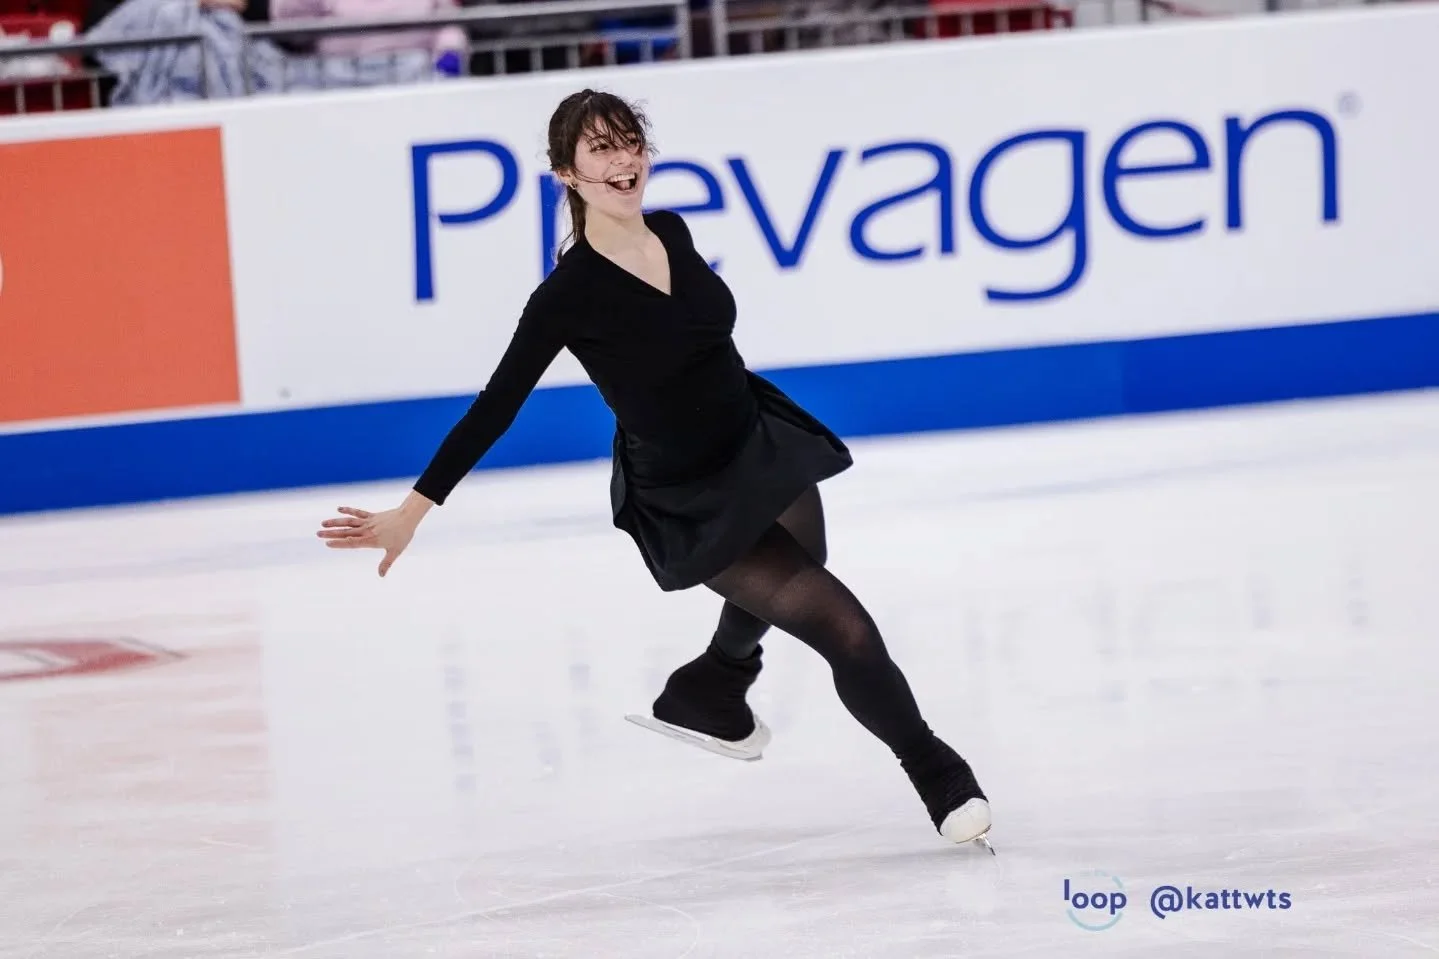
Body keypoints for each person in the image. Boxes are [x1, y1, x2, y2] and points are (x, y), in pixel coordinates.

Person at [315, 89, 992, 848]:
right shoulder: (566, 296)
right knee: (849, 631)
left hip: (757, 438)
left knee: (809, 563)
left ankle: (714, 683)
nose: (622, 160)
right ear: (564, 174)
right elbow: (494, 406)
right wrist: (413, 510)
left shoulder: (672, 229)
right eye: (599, 149)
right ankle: (936, 772)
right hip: (687, 491)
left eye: (629, 141)